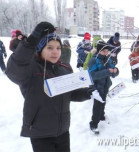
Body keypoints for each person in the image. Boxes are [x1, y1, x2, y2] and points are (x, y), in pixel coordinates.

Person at [5, 22, 94, 152]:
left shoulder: (65, 68)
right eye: (50, 47)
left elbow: (70, 94)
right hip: (40, 133)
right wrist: (31, 41)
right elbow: (15, 67)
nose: (55, 52)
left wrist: (87, 93)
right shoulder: (31, 69)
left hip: (62, 131)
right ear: (40, 49)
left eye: (58, 48)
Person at [88, 40, 119, 134]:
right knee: (97, 105)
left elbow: (114, 70)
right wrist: (107, 71)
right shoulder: (94, 60)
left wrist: (115, 71)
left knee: (103, 102)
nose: (106, 53)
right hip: (97, 87)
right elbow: (91, 75)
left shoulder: (108, 59)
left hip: (106, 85)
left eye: (107, 51)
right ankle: (93, 124)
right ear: (99, 50)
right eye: (104, 51)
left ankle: (101, 116)